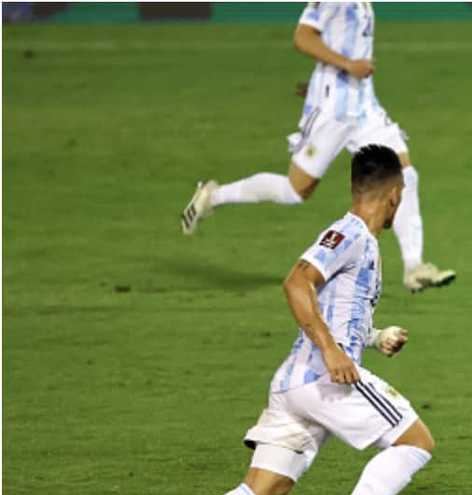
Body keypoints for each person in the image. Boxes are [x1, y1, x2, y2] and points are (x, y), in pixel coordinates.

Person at [145, 145, 436, 495]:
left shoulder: (361, 241)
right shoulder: (349, 234)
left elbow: (337, 310)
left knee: (264, 490)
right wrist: (331, 350)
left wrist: (375, 336)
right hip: (325, 377)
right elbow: (296, 283)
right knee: (415, 442)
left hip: (297, 385)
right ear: (395, 196)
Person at [179, 2, 455, 294]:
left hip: (364, 106)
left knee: (404, 175)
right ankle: (213, 196)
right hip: (333, 109)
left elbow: (342, 41)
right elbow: (303, 36)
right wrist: (347, 67)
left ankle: (414, 267)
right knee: (296, 191)